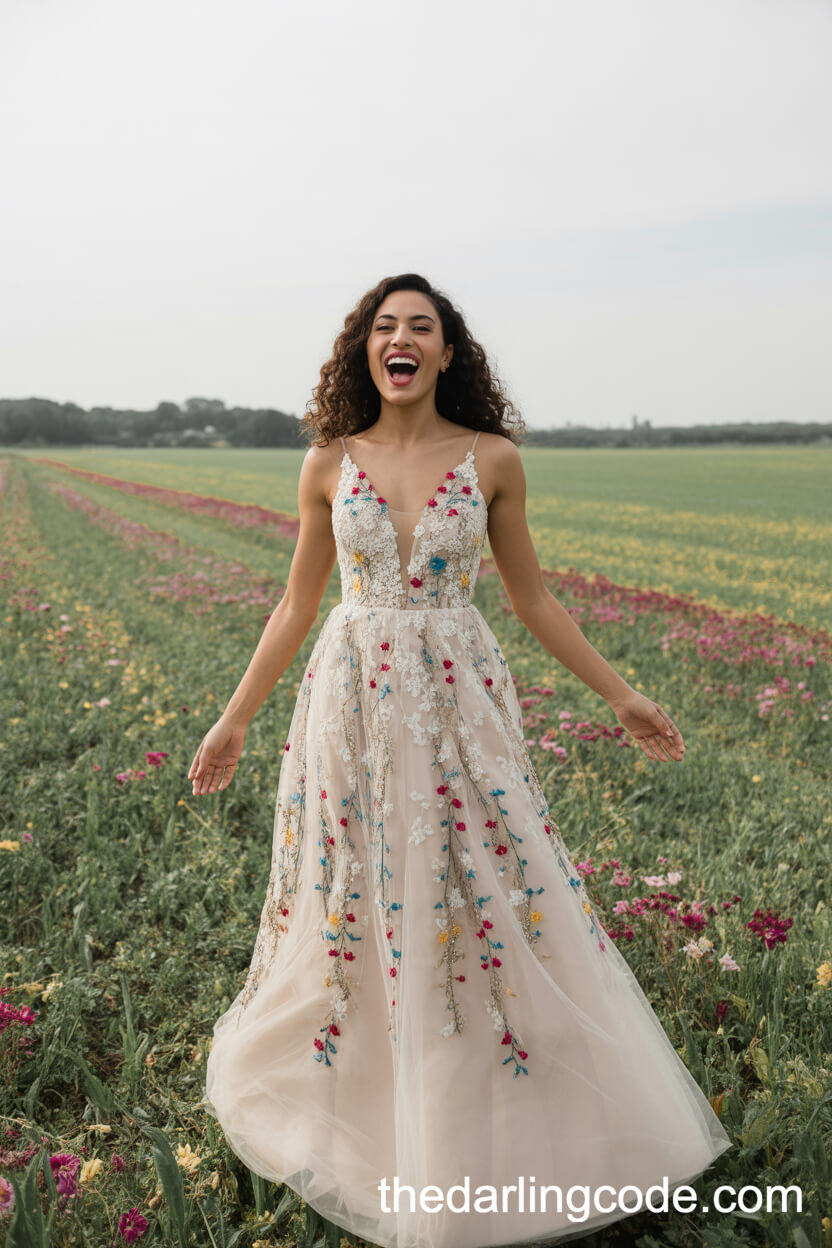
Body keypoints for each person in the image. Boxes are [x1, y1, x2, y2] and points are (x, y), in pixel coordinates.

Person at [192, 274, 732, 1248]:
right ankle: (363, 1095)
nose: (400, 338)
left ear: (446, 353)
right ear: (365, 350)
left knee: (483, 885)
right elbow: (296, 604)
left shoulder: (493, 460)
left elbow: (532, 599)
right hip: (351, 701)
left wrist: (621, 695)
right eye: (383, 326)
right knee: (359, 890)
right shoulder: (326, 462)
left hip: (457, 702)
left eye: (420, 326)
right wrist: (232, 720)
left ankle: (494, 1094)